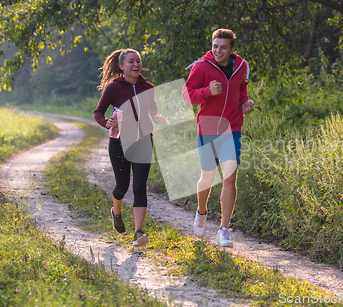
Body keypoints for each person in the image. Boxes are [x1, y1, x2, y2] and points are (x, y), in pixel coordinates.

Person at [182, 29, 254, 247]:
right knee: (208, 178)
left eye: (223, 47)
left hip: (232, 129)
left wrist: (245, 102)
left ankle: (224, 229)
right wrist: (206, 91)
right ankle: (201, 212)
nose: (218, 51)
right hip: (208, 128)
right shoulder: (202, 66)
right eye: (215, 46)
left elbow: (242, 88)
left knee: (230, 178)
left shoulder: (241, 66)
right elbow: (187, 95)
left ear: (232, 49)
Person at [94, 48, 165, 247]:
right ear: (122, 66)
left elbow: (152, 108)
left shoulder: (147, 86)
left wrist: (157, 117)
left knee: (140, 187)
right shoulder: (114, 88)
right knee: (122, 186)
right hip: (119, 143)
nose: (136, 65)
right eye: (131, 62)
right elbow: (98, 111)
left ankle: (138, 232)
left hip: (143, 141)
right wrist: (105, 122)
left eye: (138, 61)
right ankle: (116, 211)